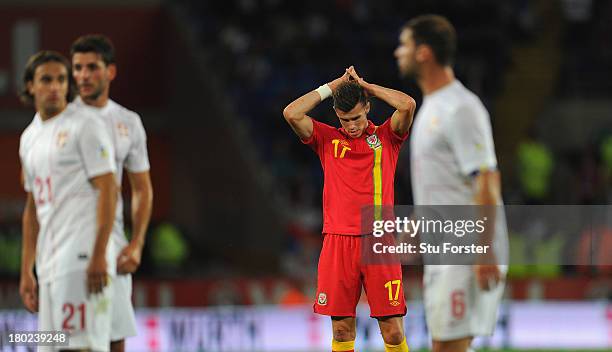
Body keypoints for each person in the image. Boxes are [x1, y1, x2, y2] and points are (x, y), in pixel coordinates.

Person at [394, 15, 508, 352]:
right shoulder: (432, 108)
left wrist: (484, 249)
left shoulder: (460, 108)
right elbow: (444, 184)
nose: (398, 52)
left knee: (447, 347)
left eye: (405, 45)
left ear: (424, 53)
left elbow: (488, 179)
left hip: (466, 247)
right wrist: (415, 228)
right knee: (446, 345)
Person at [283, 66, 416, 352]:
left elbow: (407, 105)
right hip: (337, 242)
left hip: (378, 241)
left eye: (357, 117)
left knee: (392, 331)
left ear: (368, 107)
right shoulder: (327, 140)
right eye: (345, 119)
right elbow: (291, 113)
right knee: (342, 330)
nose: (352, 125)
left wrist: (366, 86)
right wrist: (333, 85)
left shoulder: (387, 138)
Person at [18, 50, 118, 351]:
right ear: (30, 86)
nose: (55, 87)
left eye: (61, 79)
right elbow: (33, 207)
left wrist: (100, 252)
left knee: (80, 347)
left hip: (81, 258)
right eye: (46, 79)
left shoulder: (85, 126)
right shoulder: (29, 137)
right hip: (49, 264)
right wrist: (27, 269)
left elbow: (109, 189)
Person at [70, 34, 153, 352]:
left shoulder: (128, 122)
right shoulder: (63, 120)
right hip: (68, 243)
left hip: (112, 247)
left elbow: (142, 188)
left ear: (110, 72)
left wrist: (137, 243)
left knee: (115, 337)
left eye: (92, 67)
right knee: (70, 339)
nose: (83, 76)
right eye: (78, 68)